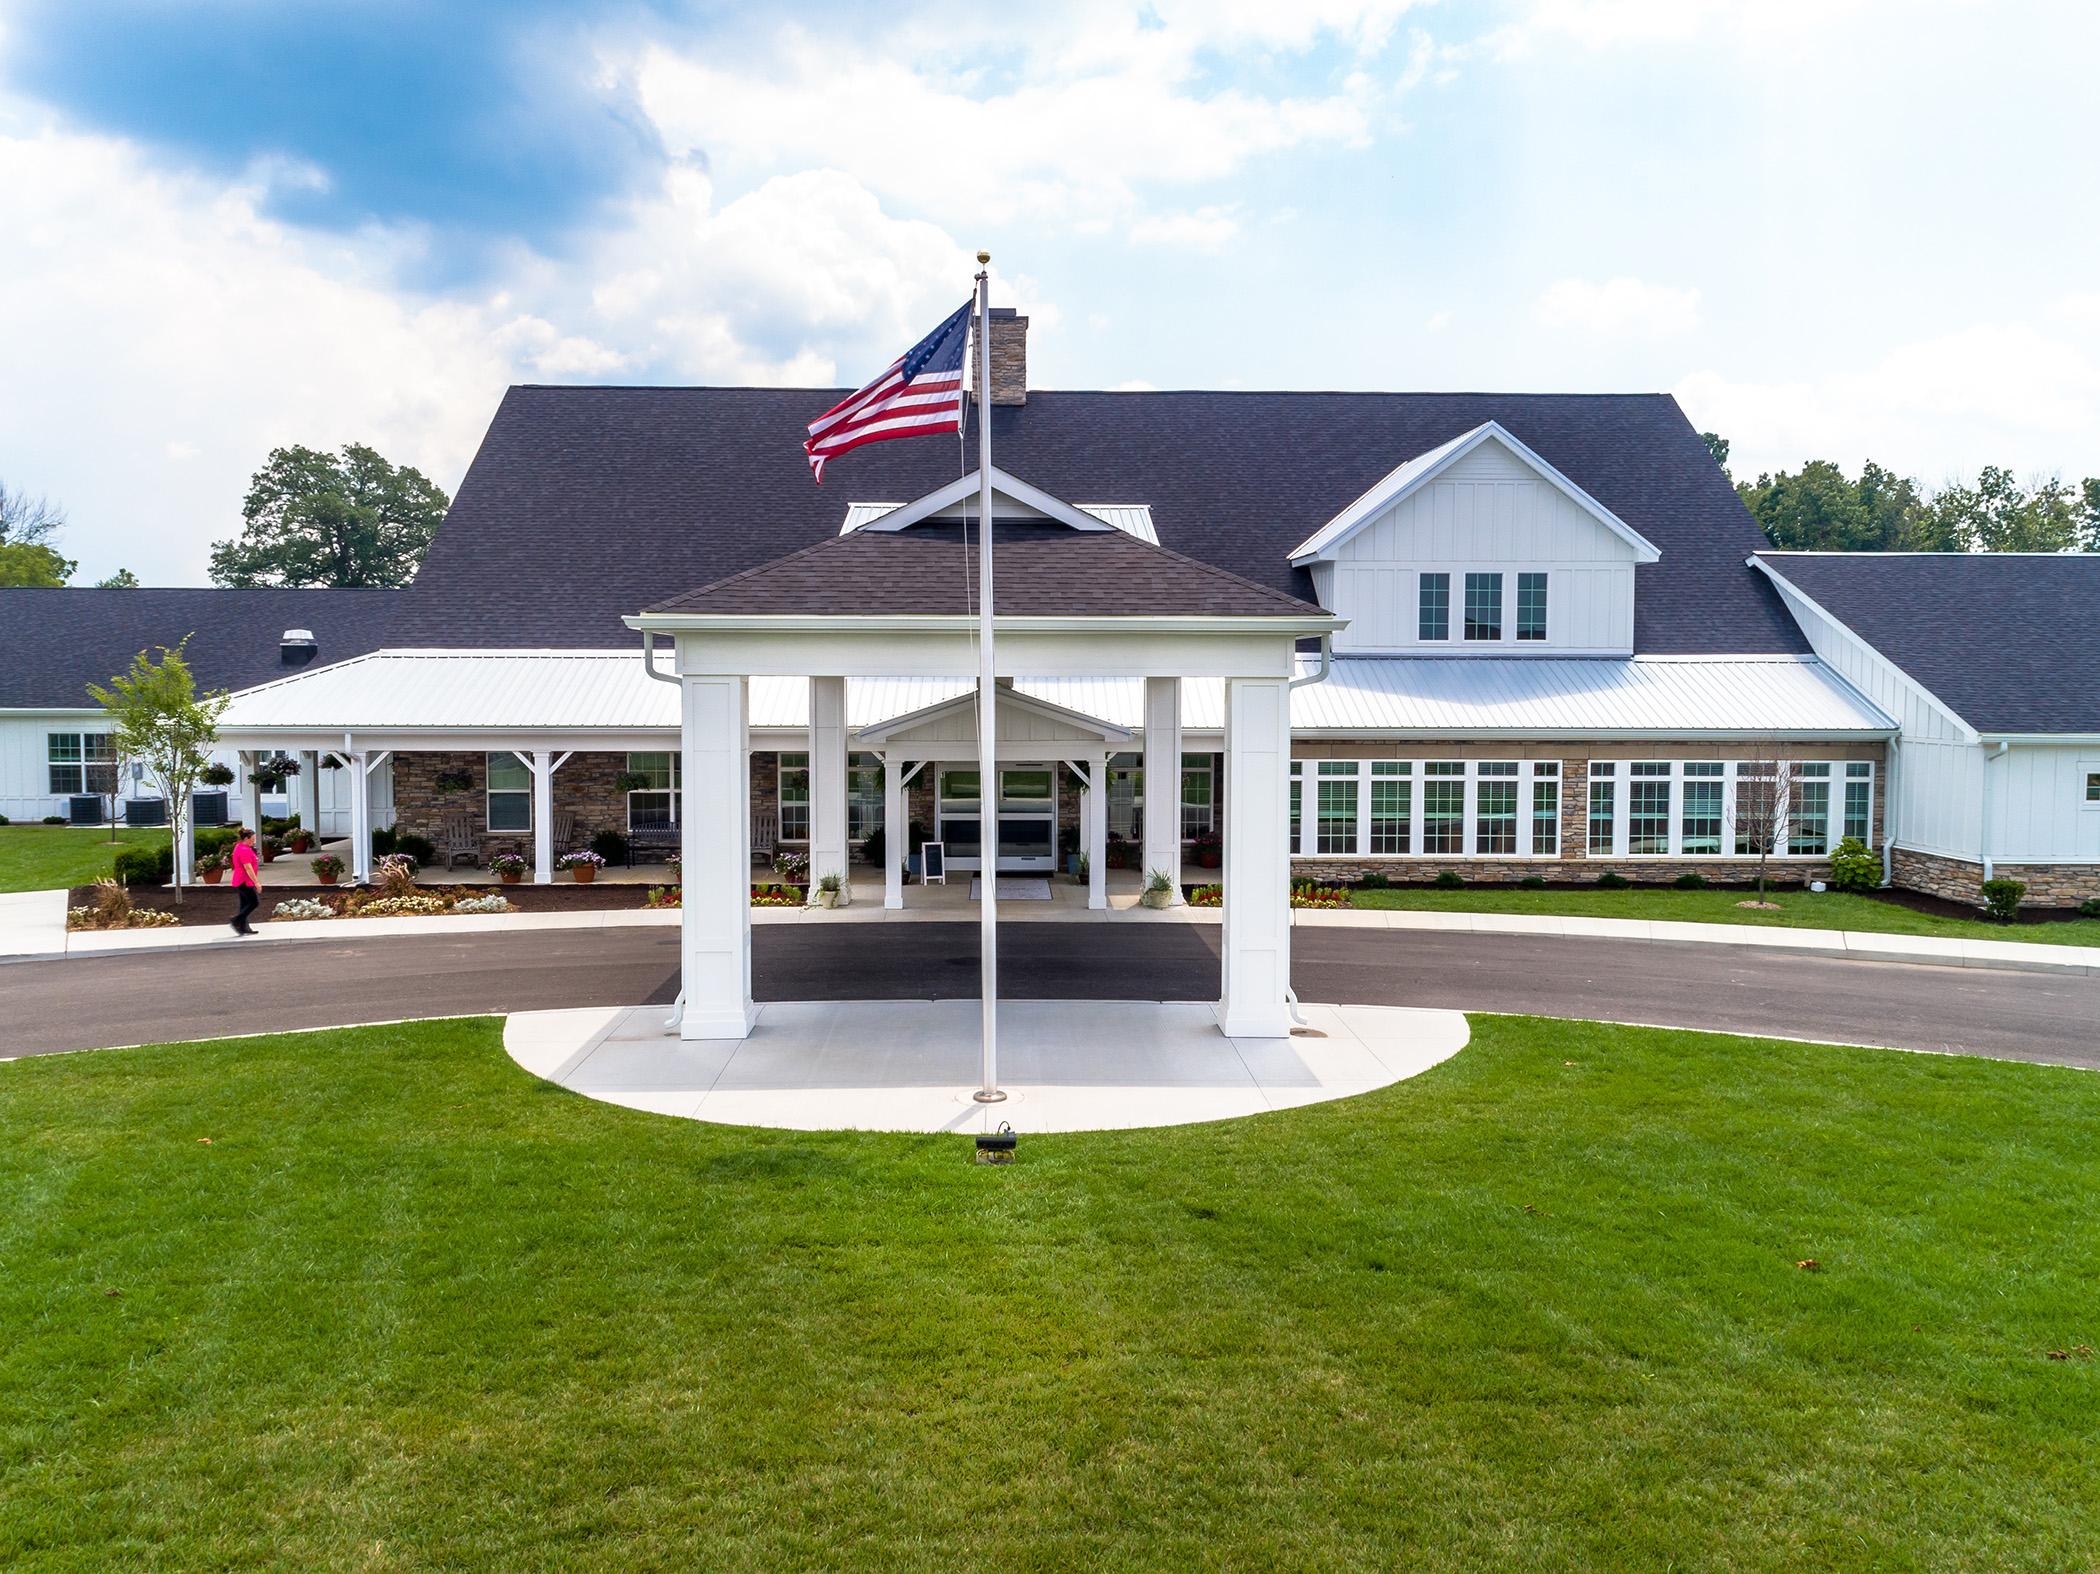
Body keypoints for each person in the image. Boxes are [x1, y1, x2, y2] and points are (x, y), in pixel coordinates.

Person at [228, 826, 261, 936]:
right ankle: (237, 920)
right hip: (244, 880)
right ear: (246, 838)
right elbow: (248, 867)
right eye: (252, 839)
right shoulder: (243, 850)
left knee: (244, 904)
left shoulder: (242, 847)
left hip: (242, 880)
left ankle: (244, 927)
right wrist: (256, 882)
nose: (254, 841)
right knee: (253, 902)